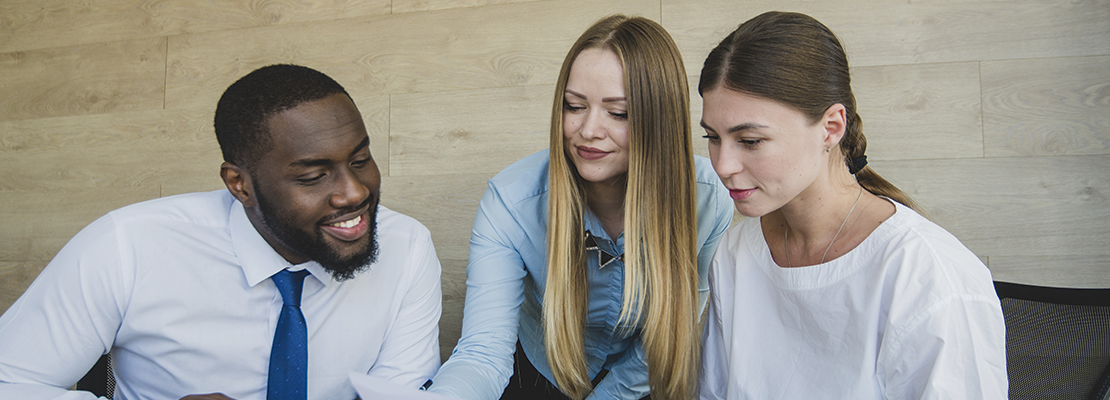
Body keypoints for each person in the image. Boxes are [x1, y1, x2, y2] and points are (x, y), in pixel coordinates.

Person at [0, 64, 442, 399]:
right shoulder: (128, 245)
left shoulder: (407, 247)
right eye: (313, 176)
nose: (354, 192)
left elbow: (400, 391)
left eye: (360, 160)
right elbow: (10, 381)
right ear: (240, 184)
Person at [696, 11, 1008, 399]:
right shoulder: (736, 252)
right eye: (713, 137)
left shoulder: (928, 276)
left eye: (751, 141)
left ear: (831, 127)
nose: (722, 165)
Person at [427, 15, 733, 400]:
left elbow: (671, 333)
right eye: (574, 106)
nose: (588, 130)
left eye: (617, 113)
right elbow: (483, 352)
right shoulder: (509, 202)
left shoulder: (708, 198)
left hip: (639, 376)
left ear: (660, 119)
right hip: (542, 371)